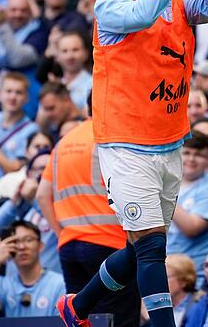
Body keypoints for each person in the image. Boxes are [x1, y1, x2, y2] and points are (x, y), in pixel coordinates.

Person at [57, 0, 208, 327]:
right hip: (124, 141)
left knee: (144, 246)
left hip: (169, 138)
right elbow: (143, 15)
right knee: (152, 248)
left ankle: (76, 307)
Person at [37, 117, 140, 327]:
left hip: (70, 245)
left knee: (77, 318)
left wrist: (63, 233)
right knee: (119, 319)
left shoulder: (64, 142)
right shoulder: (112, 136)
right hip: (111, 245)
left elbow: (42, 194)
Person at [166, 132, 208, 283]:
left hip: (192, 278)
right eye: (186, 153)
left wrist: (161, 193)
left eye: (199, 155)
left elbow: (192, 228)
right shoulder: (169, 183)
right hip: (161, 270)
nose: (191, 159)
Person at [0, 220, 65, 318]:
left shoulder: (58, 284)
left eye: (28, 240)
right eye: (15, 242)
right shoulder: (5, 284)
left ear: (41, 245)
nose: (21, 247)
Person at [166, 254, 201, 327]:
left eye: (167, 277)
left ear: (184, 280)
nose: (161, 281)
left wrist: (147, 319)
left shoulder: (198, 304)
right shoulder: (162, 305)